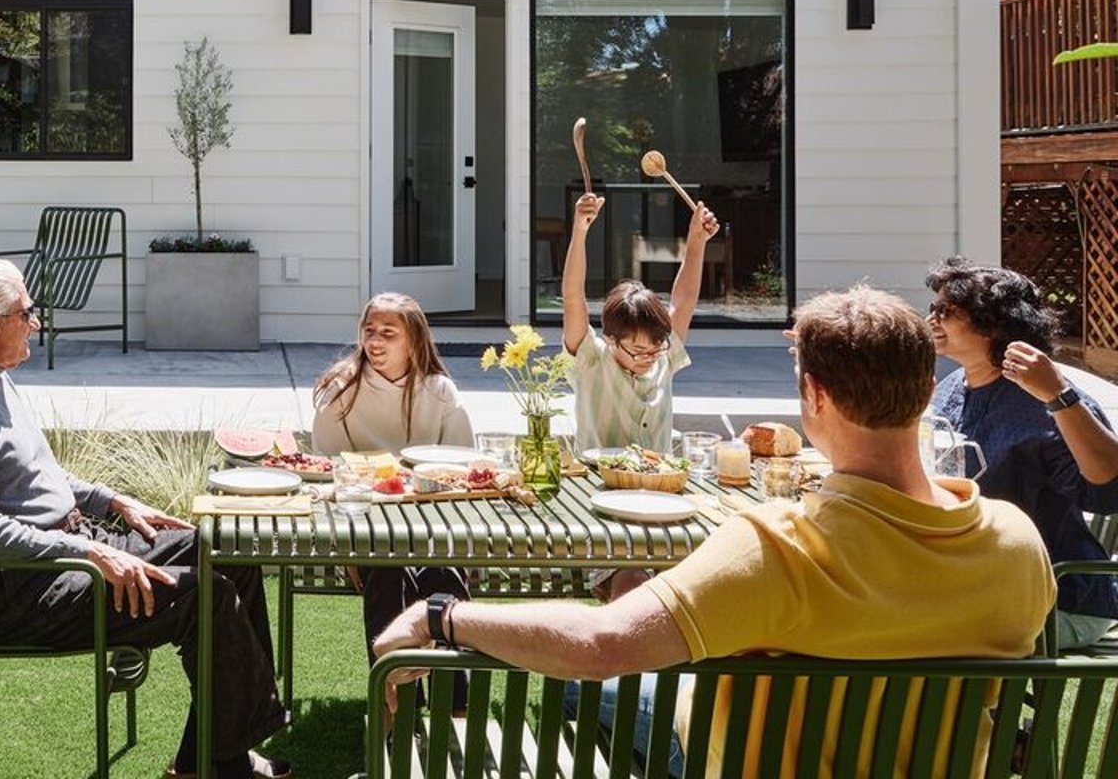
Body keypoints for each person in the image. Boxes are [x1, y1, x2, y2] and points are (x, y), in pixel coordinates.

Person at [374, 284, 1056, 776]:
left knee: (588, 680)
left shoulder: (779, 546)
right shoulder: (1017, 544)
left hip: (737, 755)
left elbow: (602, 642)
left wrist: (443, 613)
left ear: (814, 396)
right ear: (921, 387)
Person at [0, 257, 290, 779]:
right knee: (206, 594)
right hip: (14, 591)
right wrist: (90, 551)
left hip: (59, 555)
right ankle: (223, 758)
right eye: (26, 312)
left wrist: (109, 501)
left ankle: (213, 753)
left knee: (223, 551)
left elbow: (36, 478)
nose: (36, 322)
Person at [927, 257, 1118, 649]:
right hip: (978, 582)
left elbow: (1108, 493)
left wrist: (1058, 396)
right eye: (933, 308)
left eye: (945, 311)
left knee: (915, 627)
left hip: (1058, 597)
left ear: (992, 324)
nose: (932, 319)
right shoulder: (952, 388)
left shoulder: (1045, 400)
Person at [311, 293, 474, 698]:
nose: (375, 342)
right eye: (369, 332)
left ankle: (454, 706)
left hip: (435, 534)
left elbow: (465, 473)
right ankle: (393, 703)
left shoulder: (440, 392)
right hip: (366, 536)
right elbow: (323, 475)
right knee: (387, 570)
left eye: (388, 333)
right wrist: (349, 552)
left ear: (414, 340)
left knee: (443, 576)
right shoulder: (341, 391)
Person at [562, 191, 721, 453]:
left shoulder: (663, 357)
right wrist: (580, 231)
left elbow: (683, 302)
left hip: (658, 482)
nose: (649, 357)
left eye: (655, 349)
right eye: (637, 351)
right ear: (610, 340)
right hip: (596, 482)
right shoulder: (591, 359)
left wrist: (697, 240)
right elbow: (572, 298)